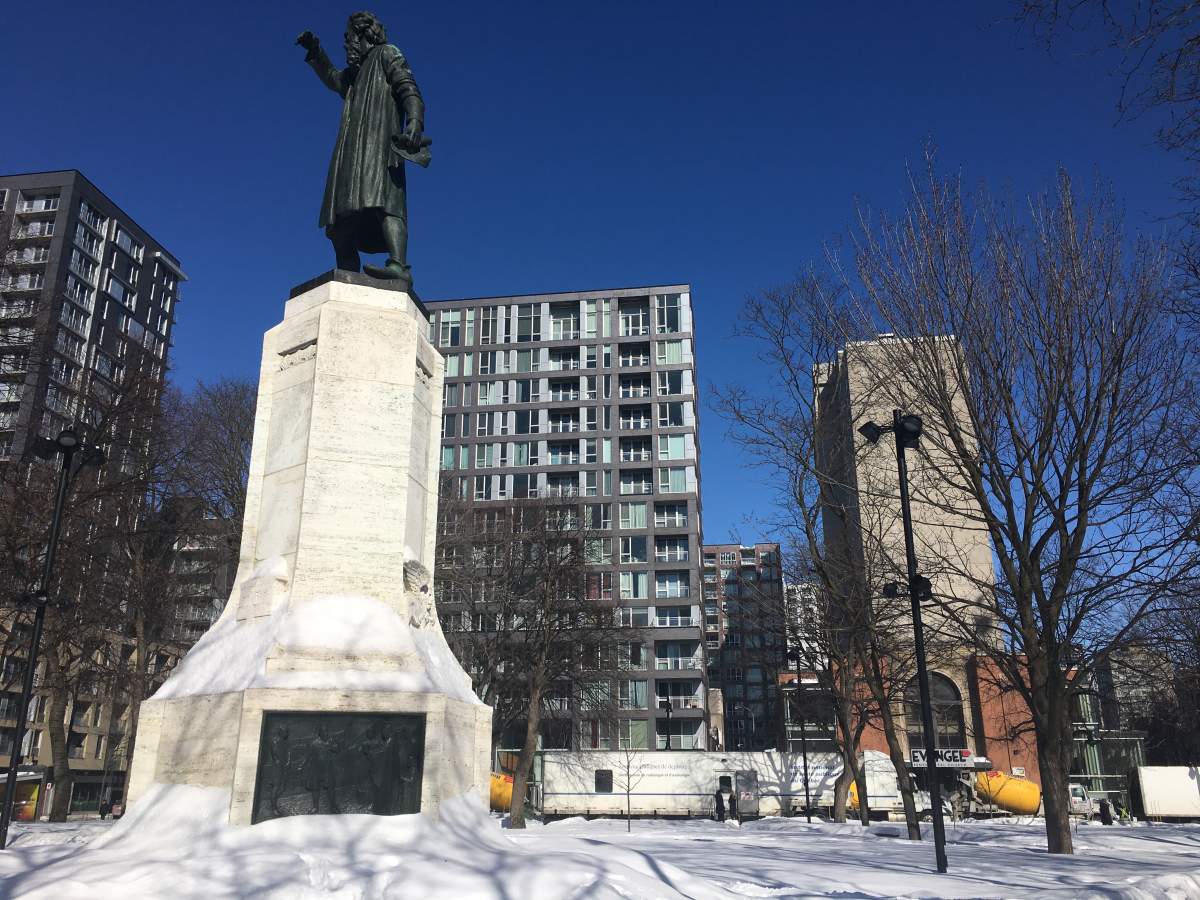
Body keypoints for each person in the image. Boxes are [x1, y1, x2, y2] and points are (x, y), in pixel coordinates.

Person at [296, 12, 427, 291]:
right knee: (339, 220)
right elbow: (333, 79)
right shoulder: (354, 75)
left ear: (362, 34)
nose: (346, 44)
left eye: (349, 37)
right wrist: (316, 52)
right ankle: (347, 273)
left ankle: (399, 266)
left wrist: (414, 122)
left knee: (387, 204)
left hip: (379, 147)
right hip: (350, 153)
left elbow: (409, 89)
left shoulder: (386, 54)